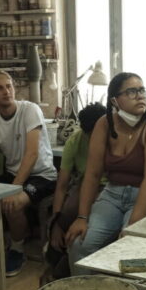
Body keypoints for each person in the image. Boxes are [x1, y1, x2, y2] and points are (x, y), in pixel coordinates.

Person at [65, 73, 146, 270]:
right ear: (114, 101)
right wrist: (82, 217)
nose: (140, 96)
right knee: (80, 244)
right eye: (131, 91)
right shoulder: (104, 124)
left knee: (130, 251)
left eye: (142, 90)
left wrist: (131, 228)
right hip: (114, 192)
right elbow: (92, 174)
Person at [0, 71, 57, 277]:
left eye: (9, 86)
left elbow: (31, 154)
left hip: (42, 175)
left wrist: (13, 190)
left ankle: (17, 249)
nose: (6, 91)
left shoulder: (30, 110)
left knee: (13, 203)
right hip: (14, 174)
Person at [47, 102, 107, 278]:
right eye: (89, 135)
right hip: (85, 182)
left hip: (111, 185)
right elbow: (62, 185)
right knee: (69, 211)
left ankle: (66, 267)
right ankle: (54, 263)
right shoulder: (76, 140)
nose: (93, 138)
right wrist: (56, 223)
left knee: (91, 222)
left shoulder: (115, 138)